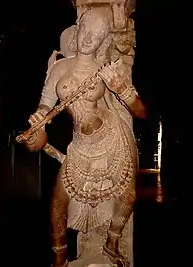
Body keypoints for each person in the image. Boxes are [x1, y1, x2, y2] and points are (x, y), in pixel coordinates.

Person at [23, 8, 146, 267]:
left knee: (128, 195)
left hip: (112, 138)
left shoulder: (108, 69)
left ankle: (112, 241)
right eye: (86, 30)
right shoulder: (60, 67)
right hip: (80, 145)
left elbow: (141, 111)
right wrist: (38, 122)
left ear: (104, 40)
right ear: (77, 30)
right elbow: (45, 106)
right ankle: (59, 257)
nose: (89, 38)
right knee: (58, 201)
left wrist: (121, 88)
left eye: (98, 34)